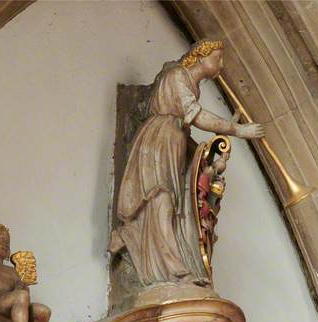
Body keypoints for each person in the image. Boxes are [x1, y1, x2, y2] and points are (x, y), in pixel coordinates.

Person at [109, 40, 264, 286]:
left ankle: (130, 236)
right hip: (158, 143)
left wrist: (202, 155)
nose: (221, 65)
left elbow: (187, 128)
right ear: (201, 57)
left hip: (172, 143)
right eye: (218, 58)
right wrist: (237, 129)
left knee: (168, 205)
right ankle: (175, 272)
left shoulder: (191, 85)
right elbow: (198, 116)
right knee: (161, 200)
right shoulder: (177, 76)